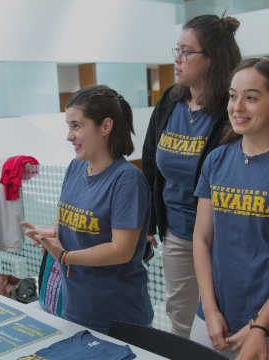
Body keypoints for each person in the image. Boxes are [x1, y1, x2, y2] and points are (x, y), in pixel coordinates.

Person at [21, 85, 153, 334]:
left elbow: (120, 251)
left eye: (76, 126)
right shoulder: (75, 167)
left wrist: (64, 257)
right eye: (68, 126)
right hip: (74, 309)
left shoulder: (127, 180)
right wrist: (51, 230)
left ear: (105, 127)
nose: (69, 136)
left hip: (118, 318)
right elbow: (67, 217)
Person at [141, 13, 242, 338]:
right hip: (179, 236)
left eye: (187, 51)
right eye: (177, 49)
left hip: (225, 240)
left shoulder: (234, 110)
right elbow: (151, 167)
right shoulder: (170, 101)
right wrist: (150, 223)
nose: (177, 58)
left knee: (225, 322)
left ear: (212, 58)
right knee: (181, 320)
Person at [191, 57, 269, 359]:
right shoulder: (216, 160)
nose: (237, 107)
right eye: (233, 96)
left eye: (251, 98)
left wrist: (260, 327)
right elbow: (201, 239)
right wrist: (210, 311)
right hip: (213, 316)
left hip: (260, 325)